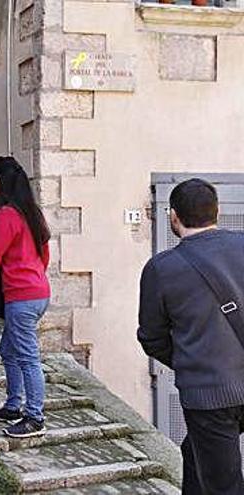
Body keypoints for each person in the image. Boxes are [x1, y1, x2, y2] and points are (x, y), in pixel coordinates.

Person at [138, 178, 244, 494]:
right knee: (193, 456)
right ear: (218, 212)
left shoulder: (161, 268)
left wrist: (189, 359)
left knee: (222, 486)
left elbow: (152, 337)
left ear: (173, 216)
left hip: (209, 394)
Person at [0, 156, 51, 438]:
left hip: (20, 297)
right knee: (9, 350)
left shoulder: (7, 215)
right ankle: (13, 405)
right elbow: (45, 254)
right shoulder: (32, 212)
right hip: (37, 291)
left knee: (27, 356)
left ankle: (34, 417)